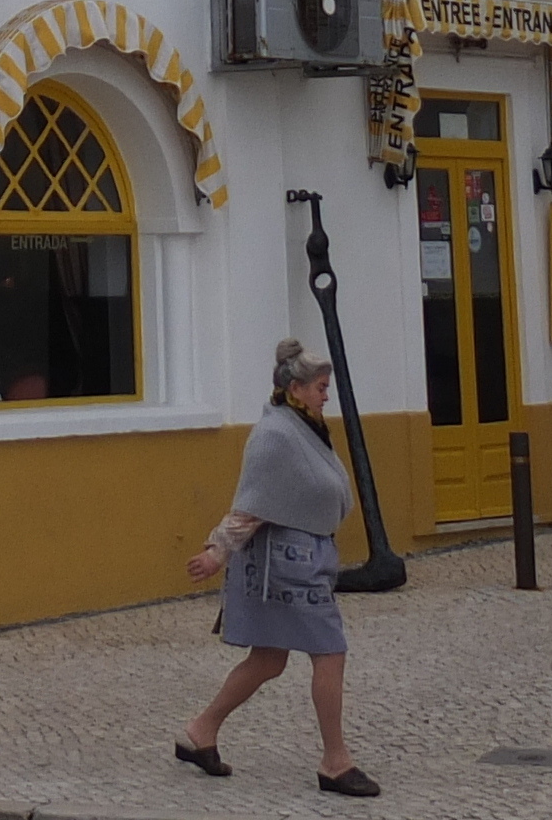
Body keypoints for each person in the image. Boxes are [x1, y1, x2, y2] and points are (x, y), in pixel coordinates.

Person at [174, 340, 377, 797]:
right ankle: (335, 762)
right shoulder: (276, 437)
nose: (327, 396)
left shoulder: (302, 428)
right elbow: (250, 506)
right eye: (321, 388)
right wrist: (215, 552)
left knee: (268, 659)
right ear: (297, 388)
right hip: (286, 566)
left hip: (300, 561)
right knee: (329, 651)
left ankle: (199, 732)